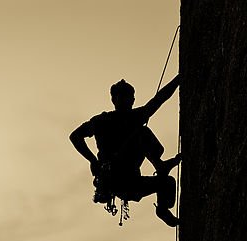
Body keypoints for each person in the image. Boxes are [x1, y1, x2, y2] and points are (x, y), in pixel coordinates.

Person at [70, 76, 181, 226]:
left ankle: (162, 208)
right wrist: (92, 160)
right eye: (126, 97)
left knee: (167, 183)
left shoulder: (130, 117)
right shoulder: (103, 121)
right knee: (142, 132)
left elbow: (159, 99)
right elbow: (75, 136)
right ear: (114, 99)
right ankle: (160, 165)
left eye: (131, 97)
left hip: (130, 183)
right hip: (116, 179)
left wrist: (178, 79)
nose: (130, 101)